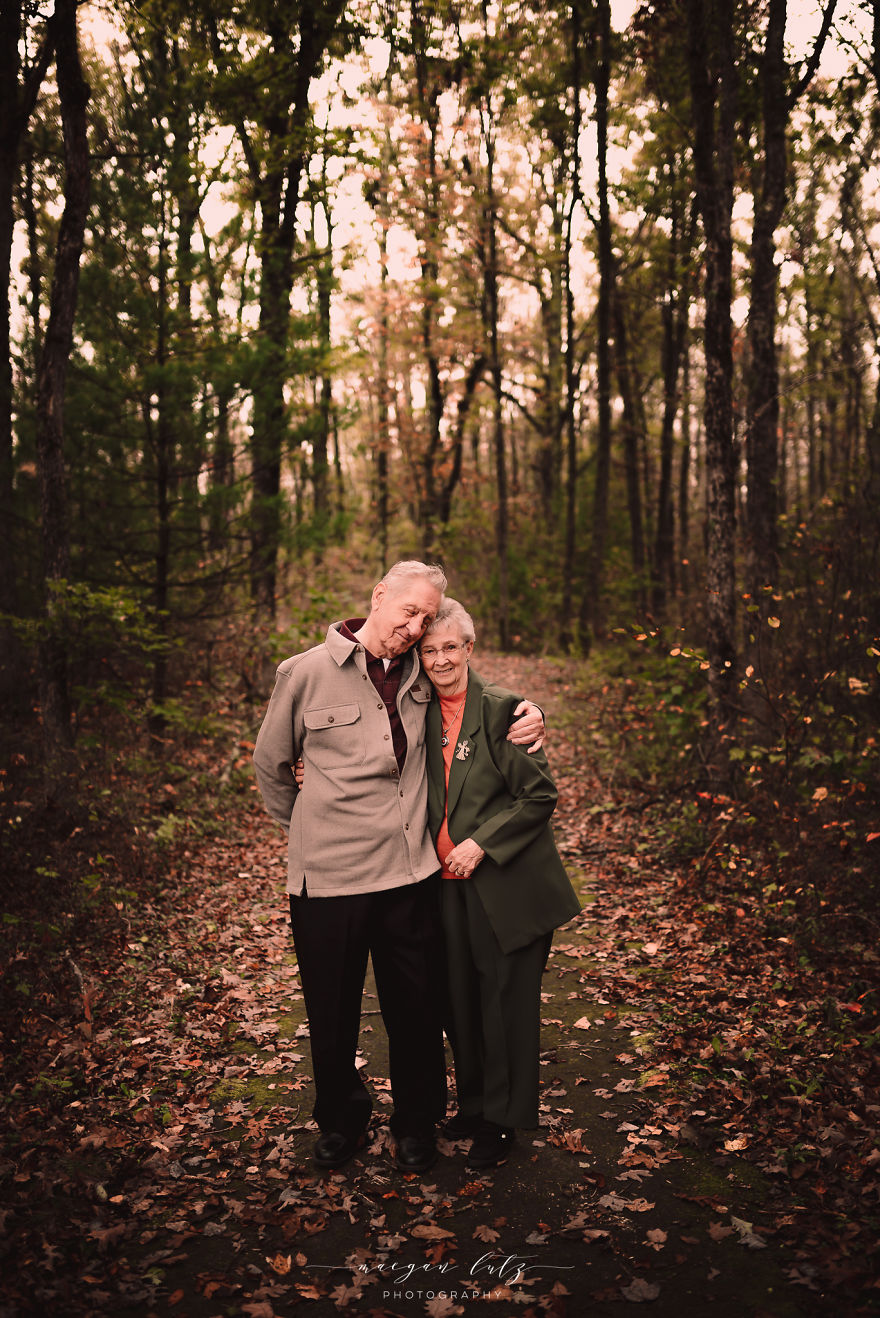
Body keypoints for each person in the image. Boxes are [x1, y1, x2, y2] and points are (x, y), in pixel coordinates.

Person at [252, 561, 545, 1175]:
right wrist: (306, 824)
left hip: (407, 876)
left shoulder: (417, 670)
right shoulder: (304, 672)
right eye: (408, 612)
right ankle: (341, 1120)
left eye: (425, 619)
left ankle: (416, 1122)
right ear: (378, 596)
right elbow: (272, 765)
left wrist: (530, 712)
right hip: (326, 878)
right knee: (330, 1013)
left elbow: (472, 694)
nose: (415, 628)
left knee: (415, 1010)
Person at [419, 598, 582, 1170]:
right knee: (459, 1001)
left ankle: (503, 1120)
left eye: (450, 647)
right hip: (444, 886)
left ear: (470, 647)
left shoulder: (502, 711)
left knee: (503, 1006)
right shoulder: (416, 710)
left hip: (504, 885)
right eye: (430, 650)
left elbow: (539, 795)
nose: (441, 660)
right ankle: (475, 1105)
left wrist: (481, 843)